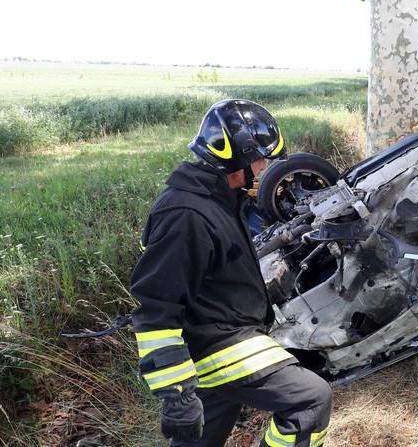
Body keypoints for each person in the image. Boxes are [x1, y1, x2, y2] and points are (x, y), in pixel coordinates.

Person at [130, 99, 332, 447]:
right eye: (261, 158)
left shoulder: (218, 198)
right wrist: (177, 394)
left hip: (228, 332)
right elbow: (155, 310)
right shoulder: (185, 214)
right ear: (238, 158)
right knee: (310, 400)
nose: (266, 166)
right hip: (219, 343)